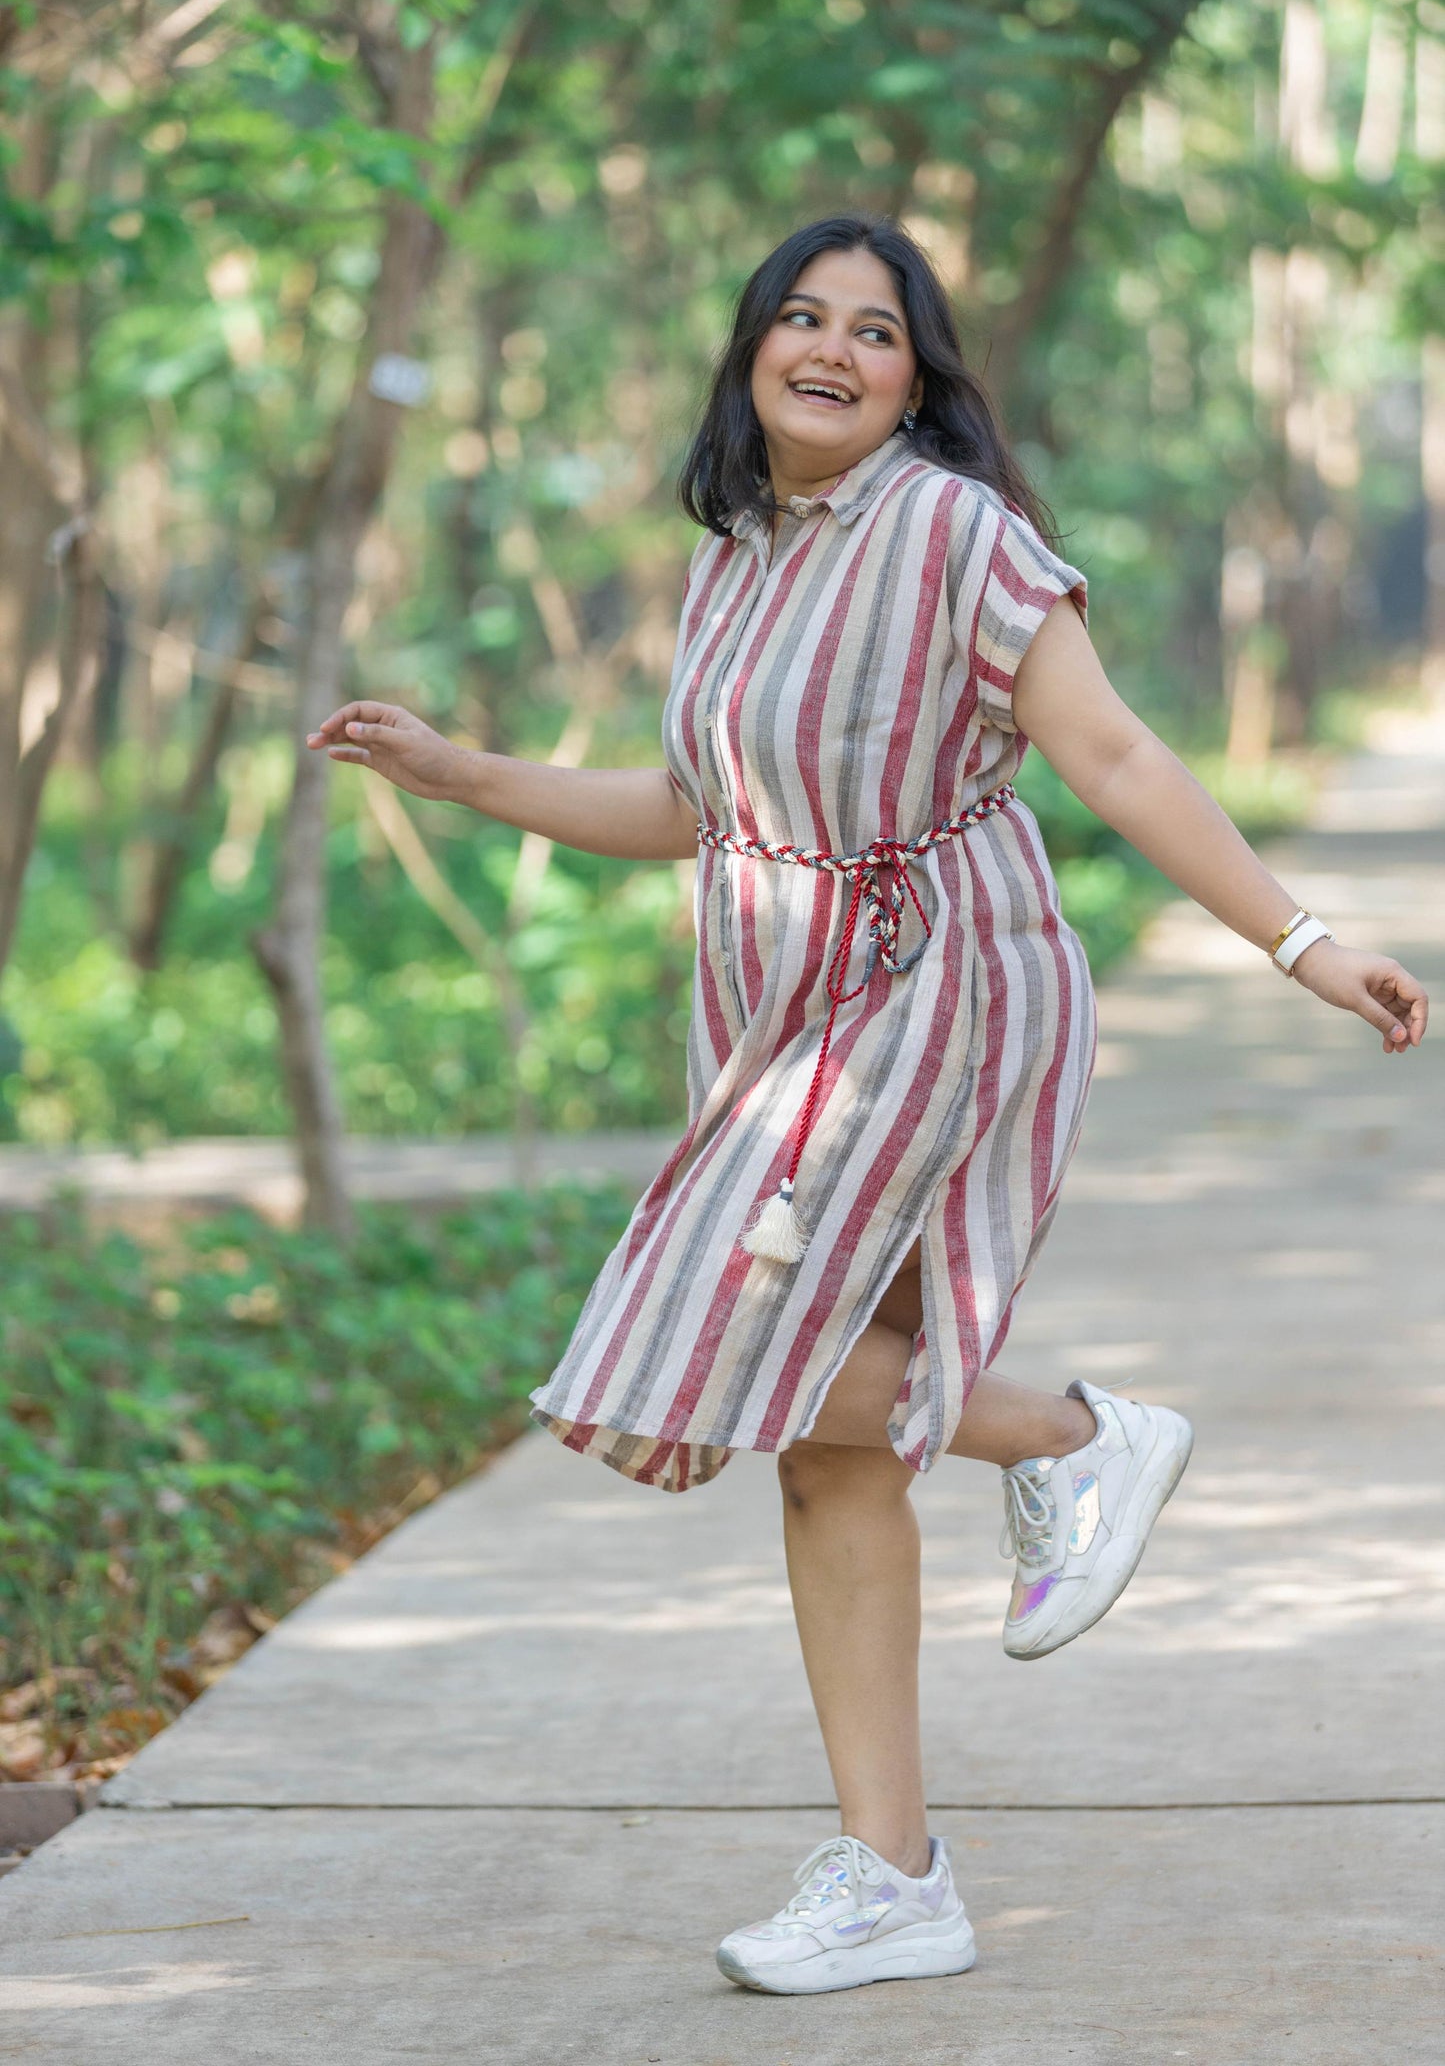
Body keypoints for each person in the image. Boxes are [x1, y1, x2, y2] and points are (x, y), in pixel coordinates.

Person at [308, 215, 1429, 1998]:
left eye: (876, 331)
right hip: (774, 1007)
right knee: (829, 1447)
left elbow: (1117, 756)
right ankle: (891, 1875)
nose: (831, 347)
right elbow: (699, 810)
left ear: (921, 377)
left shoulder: (955, 535)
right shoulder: (738, 552)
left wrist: (1298, 941)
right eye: (800, 318)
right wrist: (461, 773)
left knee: (680, 1337)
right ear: (751, 349)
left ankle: (1072, 1439)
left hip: (933, 986)